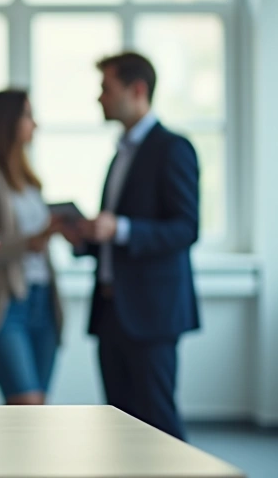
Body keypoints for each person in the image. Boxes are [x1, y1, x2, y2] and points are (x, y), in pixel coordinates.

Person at [58, 51, 200, 440]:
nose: (99, 98)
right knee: (122, 427)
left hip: (151, 315)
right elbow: (117, 237)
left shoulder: (172, 148)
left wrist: (120, 229)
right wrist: (87, 239)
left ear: (137, 90)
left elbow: (186, 228)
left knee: (159, 424)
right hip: (111, 311)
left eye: (106, 88)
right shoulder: (120, 154)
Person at [0, 89, 65, 405]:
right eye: (28, 116)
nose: (35, 124)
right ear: (8, 122)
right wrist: (34, 239)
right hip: (8, 305)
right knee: (26, 405)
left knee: (36, 414)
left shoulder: (29, 179)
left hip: (44, 301)